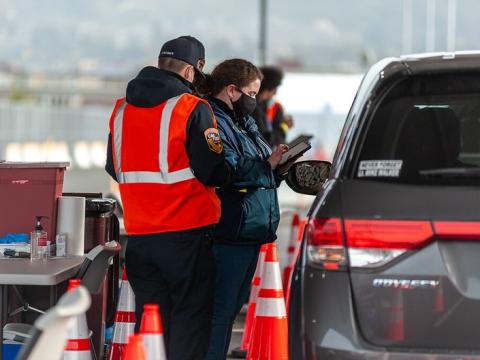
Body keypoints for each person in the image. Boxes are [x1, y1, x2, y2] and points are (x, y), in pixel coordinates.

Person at [105, 36, 232, 360]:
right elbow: (212, 170)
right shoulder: (192, 108)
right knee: (188, 326)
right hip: (186, 238)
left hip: (140, 240)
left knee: (150, 326)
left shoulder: (122, 110)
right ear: (192, 70)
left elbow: (114, 166)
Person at [198, 59, 287, 360]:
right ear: (232, 90)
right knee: (219, 312)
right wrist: (267, 166)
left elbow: (260, 164)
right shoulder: (212, 119)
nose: (256, 100)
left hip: (250, 230)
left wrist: (277, 166)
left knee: (230, 307)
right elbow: (227, 168)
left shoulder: (244, 122)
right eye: (252, 93)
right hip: (230, 231)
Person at [252, 65, 294, 146]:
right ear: (267, 88)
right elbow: (267, 140)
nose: (275, 93)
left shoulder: (266, 106)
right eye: (274, 88)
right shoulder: (254, 109)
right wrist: (284, 127)